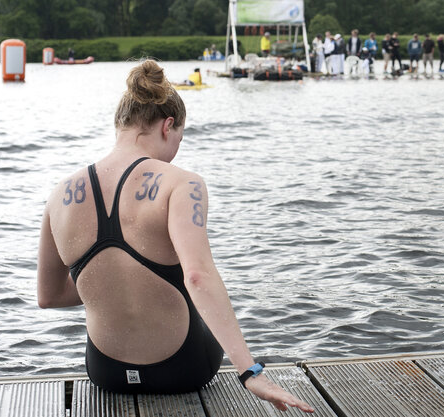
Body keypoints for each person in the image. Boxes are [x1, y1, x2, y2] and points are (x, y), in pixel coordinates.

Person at [36, 60, 316, 413]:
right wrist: (250, 372)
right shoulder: (182, 183)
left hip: (105, 372)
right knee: (193, 273)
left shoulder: (60, 193)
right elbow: (198, 277)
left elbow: (48, 296)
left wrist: (111, 281)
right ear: (168, 126)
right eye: (180, 137)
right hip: (183, 369)